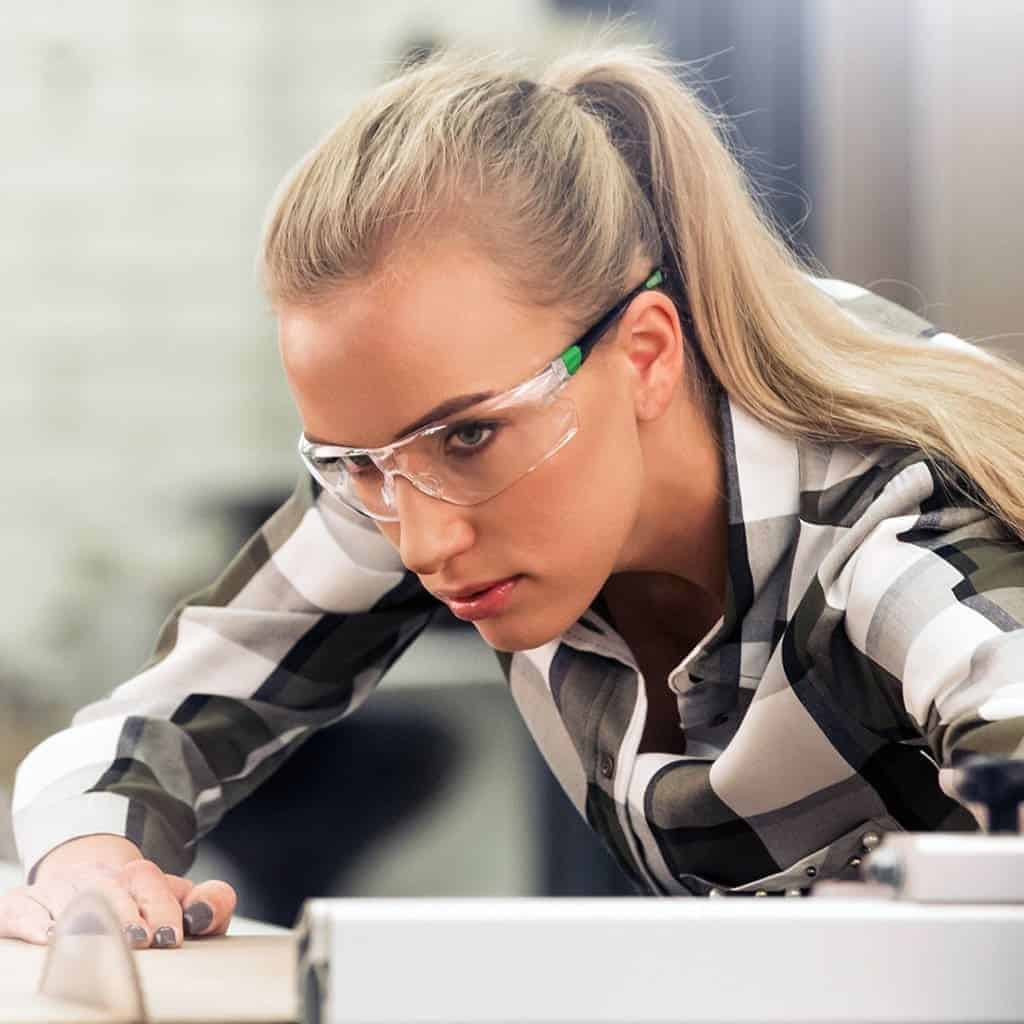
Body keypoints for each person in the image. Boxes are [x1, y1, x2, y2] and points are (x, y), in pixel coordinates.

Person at [3, 42, 1024, 950]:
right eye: (357, 464)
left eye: (470, 436)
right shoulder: (421, 470)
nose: (423, 540)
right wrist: (93, 857)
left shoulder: (892, 529)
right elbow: (142, 732)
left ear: (647, 356)